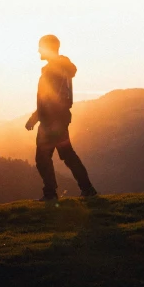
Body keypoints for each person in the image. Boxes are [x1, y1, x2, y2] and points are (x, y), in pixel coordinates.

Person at [25, 34, 98, 201]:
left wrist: (37, 118)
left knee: (43, 158)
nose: (38, 50)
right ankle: (87, 189)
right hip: (60, 119)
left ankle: (51, 194)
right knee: (68, 155)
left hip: (51, 121)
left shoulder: (53, 70)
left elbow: (48, 98)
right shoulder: (62, 68)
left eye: (41, 47)